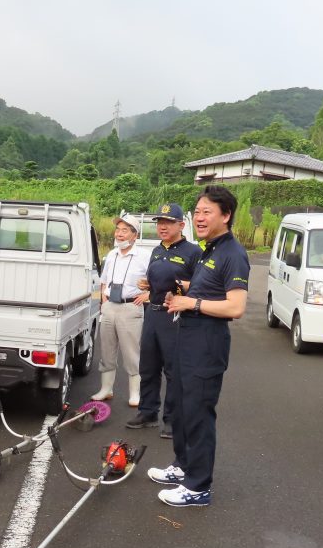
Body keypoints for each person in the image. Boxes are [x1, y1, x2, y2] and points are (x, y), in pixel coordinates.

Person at [150, 186, 250, 507]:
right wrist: (180, 289)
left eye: (208, 211)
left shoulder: (233, 253)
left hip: (207, 346)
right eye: (198, 211)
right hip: (187, 340)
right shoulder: (210, 250)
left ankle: (198, 486)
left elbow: (235, 306)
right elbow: (207, 289)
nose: (200, 217)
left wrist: (190, 302)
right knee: (179, 405)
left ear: (226, 215)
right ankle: (182, 466)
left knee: (198, 413)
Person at [126, 204, 201, 437]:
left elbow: (200, 285)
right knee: (147, 366)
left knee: (174, 370)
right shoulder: (157, 251)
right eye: (159, 222)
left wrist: (178, 286)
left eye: (168, 222)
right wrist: (147, 285)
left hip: (175, 317)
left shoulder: (193, 252)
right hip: (152, 314)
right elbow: (155, 282)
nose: (162, 227)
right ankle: (148, 412)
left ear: (181, 225)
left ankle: (172, 419)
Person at [90, 217, 149, 404]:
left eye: (125, 230)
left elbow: (158, 280)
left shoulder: (145, 256)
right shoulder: (111, 255)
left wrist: (148, 294)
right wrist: (103, 299)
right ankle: (106, 389)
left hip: (131, 307)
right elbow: (104, 280)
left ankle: (135, 393)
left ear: (135, 235)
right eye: (118, 229)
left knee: (131, 352)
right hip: (109, 307)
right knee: (106, 350)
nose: (119, 233)